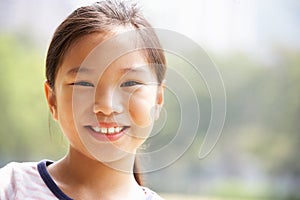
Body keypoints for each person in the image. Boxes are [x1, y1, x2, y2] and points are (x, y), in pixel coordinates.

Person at [0, 0, 166, 199]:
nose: (106, 106)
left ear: (158, 99)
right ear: (52, 100)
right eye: (83, 84)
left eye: (129, 83)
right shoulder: (11, 187)